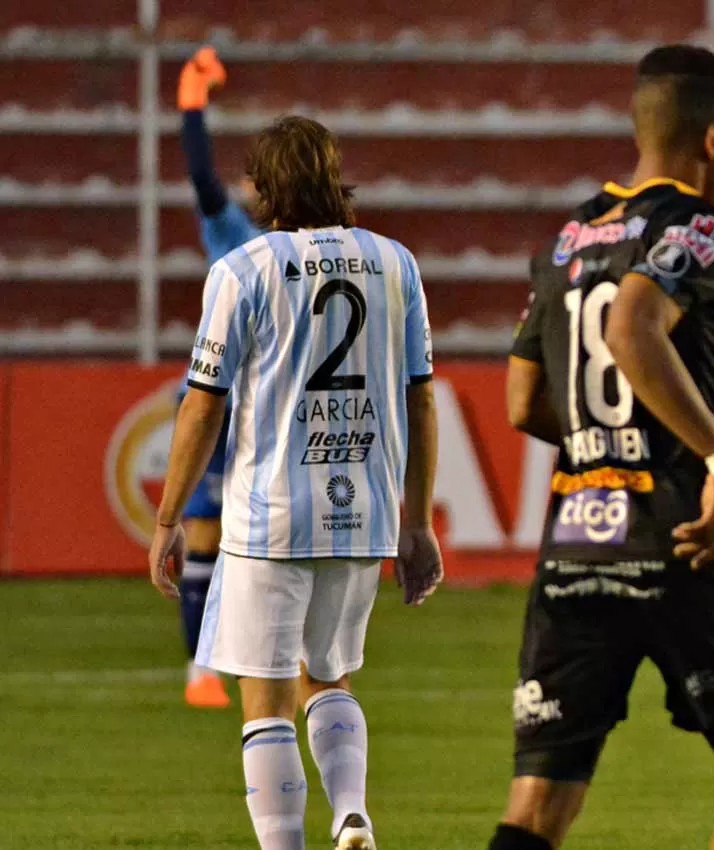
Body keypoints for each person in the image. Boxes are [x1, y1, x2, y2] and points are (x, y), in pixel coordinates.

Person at [496, 45, 714, 850]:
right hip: (678, 537)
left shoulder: (568, 237)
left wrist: (601, 438)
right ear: (712, 140)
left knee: (538, 803)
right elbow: (631, 326)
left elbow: (524, 402)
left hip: (578, 543)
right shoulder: (696, 223)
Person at [148, 115, 443, 850]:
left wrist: (167, 517)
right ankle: (352, 812)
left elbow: (203, 402)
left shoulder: (243, 269)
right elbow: (421, 395)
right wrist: (417, 523)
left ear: (265, 187)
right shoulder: (395, 263)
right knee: (331, 679)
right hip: (363, 511)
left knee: (266, 701)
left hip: (268, 515)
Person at [174, 44, 263, 709]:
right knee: (204, 533)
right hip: (221, 396)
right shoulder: (233, 229)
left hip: (273, 401)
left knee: (266, 535)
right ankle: (201, 668)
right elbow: (203, 177)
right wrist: (192, 102)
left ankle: (264, 655)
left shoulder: (304, 242)